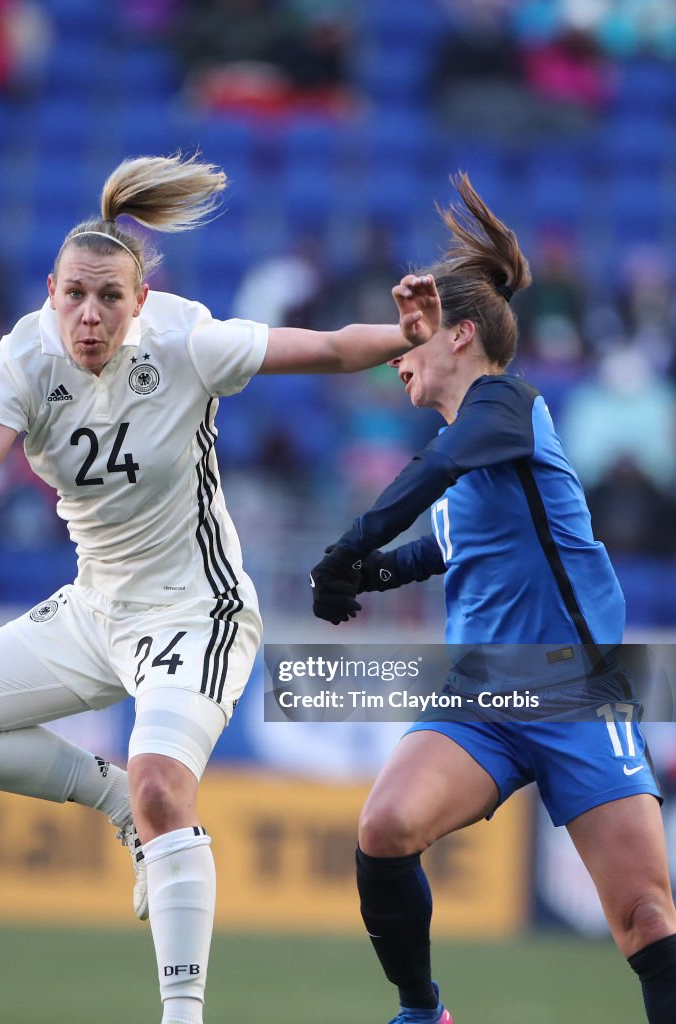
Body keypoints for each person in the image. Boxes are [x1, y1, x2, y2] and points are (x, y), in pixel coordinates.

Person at [0, 152, 440, 1024]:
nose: (89, 314)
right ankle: (108, 799)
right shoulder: (24, 356)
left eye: (109, 297)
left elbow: (329, 349)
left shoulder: (186, 342)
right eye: (74, 294)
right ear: (50, 290)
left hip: (195, 611)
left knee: (161, 789)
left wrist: (406, 337)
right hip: (93, 607)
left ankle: (182, 1014)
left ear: (139, 300)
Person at [309, 172, 676, 1024]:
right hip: (483, 695)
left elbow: (433, 477)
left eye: (414, 335)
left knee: (647, 921)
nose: (397, 352)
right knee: (385, 826)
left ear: (462, 336)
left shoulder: (504, 404)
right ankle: (421, 1011)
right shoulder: (475, 448)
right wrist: (366, 575)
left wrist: (347, 546)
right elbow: (442, 541)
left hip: (577, 691)